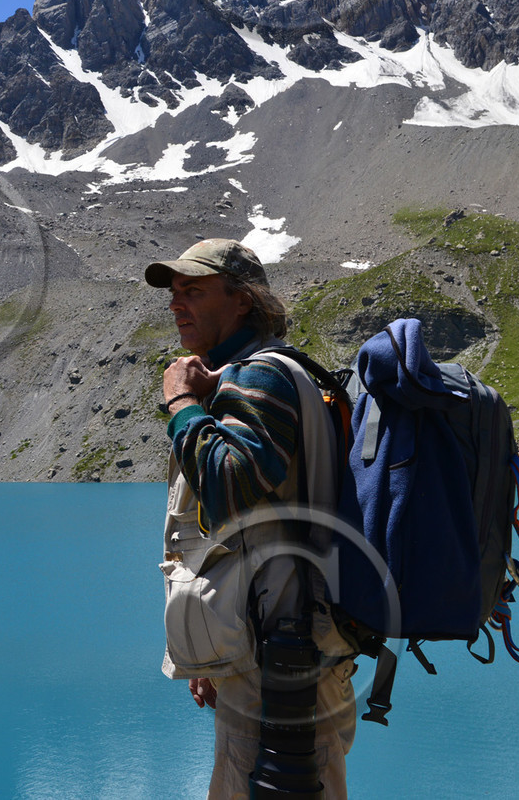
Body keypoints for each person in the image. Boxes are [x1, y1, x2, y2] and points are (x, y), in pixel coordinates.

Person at [145, 238, 357, 800]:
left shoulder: (259, 376)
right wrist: (217, 652)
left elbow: (232, 486)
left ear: (242, 301)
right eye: (173, 293)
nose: (176, 304)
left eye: (194, 290)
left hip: (283, 658)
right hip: (278, 648)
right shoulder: (248, 375)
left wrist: (181, 405)